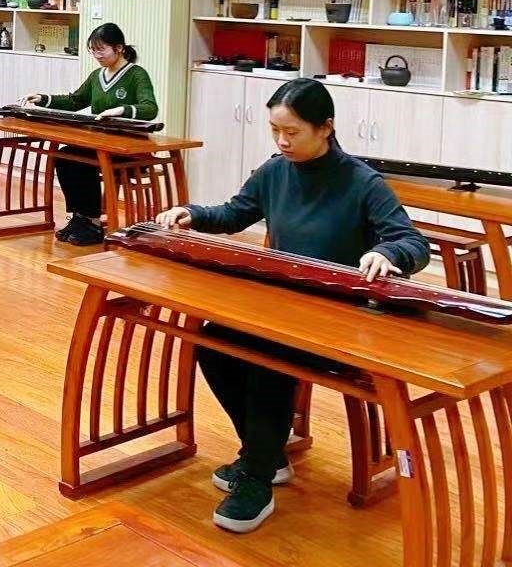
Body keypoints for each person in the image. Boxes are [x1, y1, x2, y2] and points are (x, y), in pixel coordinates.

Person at [154, 77, 429, 535]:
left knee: (268, 356)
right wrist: (194, 213)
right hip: (283, 308)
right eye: (275, 130)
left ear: (326, 127)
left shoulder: (362, 182)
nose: (282, 141)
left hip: (339, 320)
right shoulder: (275, 171)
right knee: (213, 342)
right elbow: (236, 212)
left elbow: (413, 243)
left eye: (292, 132)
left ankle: (257, 476)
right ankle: (266, 454)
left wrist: (388, 253)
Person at [25, 22, 156, 246]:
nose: (97, 55)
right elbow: (75, 101)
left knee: (83, 163)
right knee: (64, 158)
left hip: (127, 148)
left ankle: (93, 223)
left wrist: (122, 110)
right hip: (100, 144)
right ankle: (80, 218)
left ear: (119, 48)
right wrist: (43, 99)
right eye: (93, 50)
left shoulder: (136, 74)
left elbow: (150, 108)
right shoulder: (97, 76)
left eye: (101, 50)